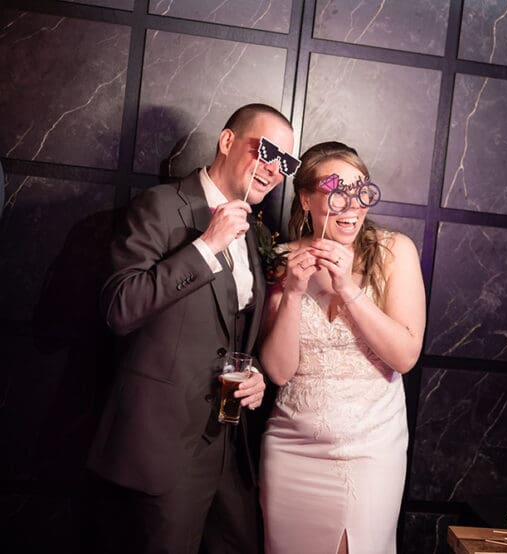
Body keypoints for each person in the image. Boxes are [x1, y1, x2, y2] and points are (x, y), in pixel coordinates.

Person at [87, 103, 296, 553]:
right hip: (165, 445)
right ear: (227, 141)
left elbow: (233, 331)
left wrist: (255, 374)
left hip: (229, 446)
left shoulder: (256, 231)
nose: (275, 169)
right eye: (267, 151)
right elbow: (119, 309)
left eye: (286, 162)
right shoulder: (161, 206)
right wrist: (206, 246)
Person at [258, 141, 426, 553]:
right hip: (291, 450)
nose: (353, 206)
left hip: (370, 451)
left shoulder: (394, 251)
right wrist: (293, 292)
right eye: (338, 192)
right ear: (306, 198)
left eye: (361, 191)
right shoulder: (281, 260)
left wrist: (347, 288)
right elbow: (278, 372)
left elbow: (404, 357)